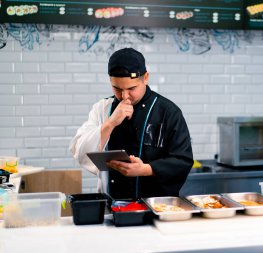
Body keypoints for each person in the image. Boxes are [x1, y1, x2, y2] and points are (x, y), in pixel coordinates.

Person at [69, 47, 193, 199]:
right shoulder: (102, 108)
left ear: (146, 77)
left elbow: (183, 161)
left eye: (131, 88)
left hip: (155, 206)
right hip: (112, 204)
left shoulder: (168, 111)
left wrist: (145, 169)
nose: (124, 96)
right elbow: (80, 152)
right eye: (117, 88)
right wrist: (110, 123)